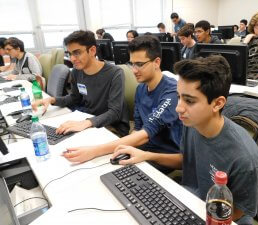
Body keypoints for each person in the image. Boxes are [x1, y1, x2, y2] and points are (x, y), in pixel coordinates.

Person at [112, 55, 258, 225]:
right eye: (179, 97)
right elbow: (186, 160)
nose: (178, 108)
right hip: (190, 200)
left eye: (189, 101)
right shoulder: (191, 122)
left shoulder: (245, 158)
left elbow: (237, 212)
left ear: (217, 103)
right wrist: (146, 155)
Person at [62, 35, 182, 172]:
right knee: (101, 166)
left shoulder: (172, 92)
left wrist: (95, 151)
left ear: (156, 62)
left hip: (163, 156)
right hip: (143, 149)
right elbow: (137, 128)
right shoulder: (141, 88)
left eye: (140, 64)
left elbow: (144, 134)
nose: (134, 70)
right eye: (132, 64)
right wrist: (121, 148)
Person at [32, 30, 129, 137]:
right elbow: (74, 98)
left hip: (112, 126)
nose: (72, 58)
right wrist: (51, 100)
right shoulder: (76, 72)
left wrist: (86, 123)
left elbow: (115, 112)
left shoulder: (115, 73)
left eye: (77, 53)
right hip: (89, 119)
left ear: (92, 50)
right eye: (69, 54)